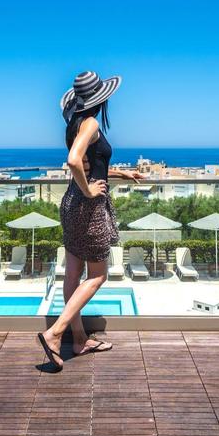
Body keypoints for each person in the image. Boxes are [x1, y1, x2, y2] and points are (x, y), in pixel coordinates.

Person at [37, 71, 144, 372]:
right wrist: (89, 190)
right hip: (88, 207)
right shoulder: (92, 122)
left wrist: (122, 174)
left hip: (71, 204)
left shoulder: (74, 124)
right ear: (101, 98)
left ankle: (80, 339)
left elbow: (90, 166)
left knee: (73, 275)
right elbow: (74, 161)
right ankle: (55, 334)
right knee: (97, 276)